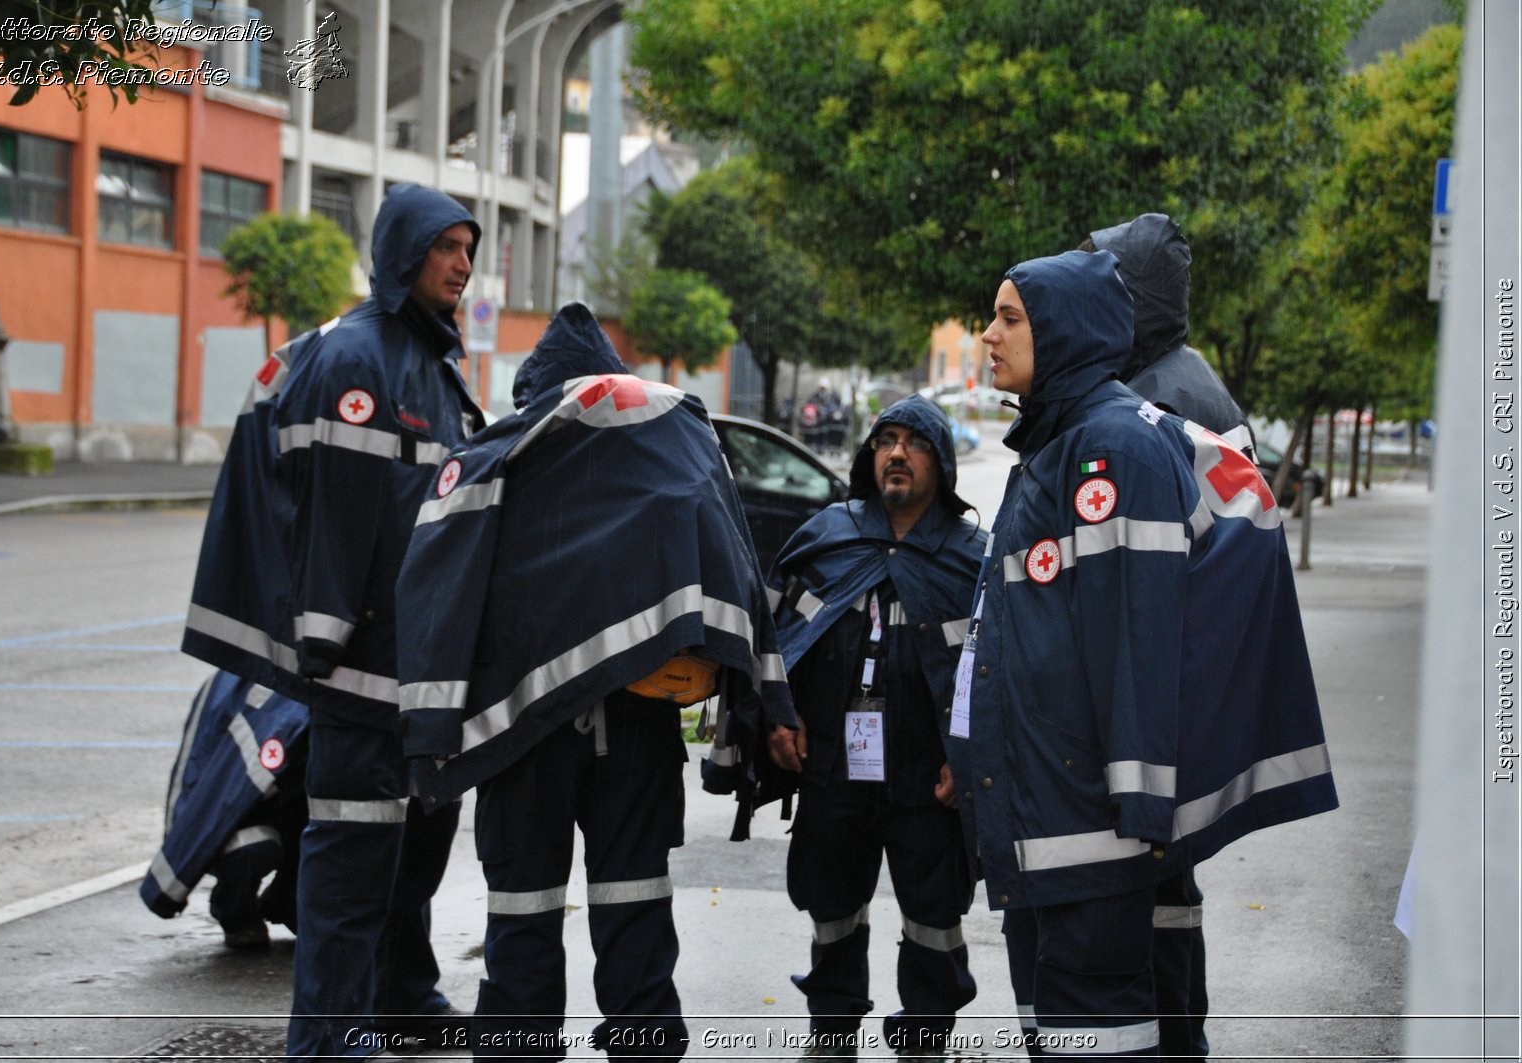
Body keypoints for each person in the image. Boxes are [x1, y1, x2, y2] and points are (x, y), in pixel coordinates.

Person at [958, 250, 1338, 1057]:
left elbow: (1137, 635)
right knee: (1061, 1028)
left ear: (1063, 331)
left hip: (1089, 829)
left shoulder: (1111, 450)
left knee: (1098, 1033)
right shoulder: (1060, 443)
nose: (988, 334)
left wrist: (1138, 813)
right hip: (1049, 817)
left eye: (1010, 317)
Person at [395, 302, 794, 1063]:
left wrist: (431, 736)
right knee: (633, 910)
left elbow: (439, 585)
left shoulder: (504, 454)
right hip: (636, 724)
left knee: (523, 917)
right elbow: (734, 560)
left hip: (527, 732)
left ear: (535, 391)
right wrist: (765, 700)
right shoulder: (674, 439)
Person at [181, 183, 486, 1058]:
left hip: (418, 669)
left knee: (414, 851)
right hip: (361, 672)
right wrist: (323, 644)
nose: (463, 264)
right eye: (447, 247)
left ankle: (399, 996)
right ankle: (329, 1035)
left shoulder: (430, 362)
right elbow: (338, 516)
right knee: (353, 862)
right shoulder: (358, 360)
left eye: (469, 248)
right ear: (402, 253)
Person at [1081, 212, 1254, 1060]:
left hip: (1159, 683)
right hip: (1186, 675)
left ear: (1133, 294)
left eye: (1103, 279)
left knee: (1149, 891)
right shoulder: (1182, 379)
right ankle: (1181, 1037)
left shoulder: (1160, 397)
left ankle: (1172, 1042)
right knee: (1168, 892)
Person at [764, 395, 984, 1058]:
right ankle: (831, 1030)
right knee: (830, 902)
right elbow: (777, 636)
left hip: (927, 774)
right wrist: (778, 715)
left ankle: (925, 1036)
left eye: (913, 442)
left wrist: (967, 756)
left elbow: (994, 663)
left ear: (940, 462)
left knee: (933, 912)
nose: (896, 452)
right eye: (886, 439)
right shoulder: (828, 537)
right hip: (833, 764)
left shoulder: (972, 557)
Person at [140, 670, 308, 950]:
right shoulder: (231, 683)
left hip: (300, 804)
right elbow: (192, 785)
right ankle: (235, 911)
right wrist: (172, 878)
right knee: (252, 847)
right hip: (245, 816)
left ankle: (289, 898)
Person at [1080, 214, 1254, 458]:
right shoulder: (1188, 373)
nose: (1080, 313)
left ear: (1128, 302)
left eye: (1090, 296)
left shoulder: (1150, 409)